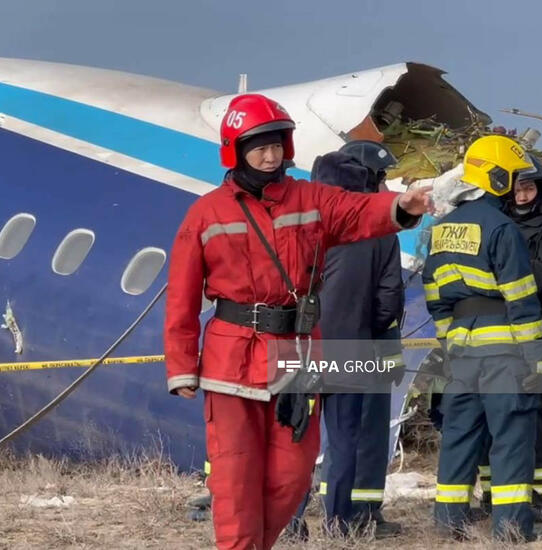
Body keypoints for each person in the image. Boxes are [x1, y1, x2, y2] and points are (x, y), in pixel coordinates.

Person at [164, 93, 432, 550]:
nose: (270, 156)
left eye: (277, 146)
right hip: (232, 359)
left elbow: (355, 211)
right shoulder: (205, 213)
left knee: (291, 475)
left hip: (295, 357)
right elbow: (182, 295)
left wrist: (400, 206)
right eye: (259, 147)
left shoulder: (310, 199)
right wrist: (181, 365)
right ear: (236, 149)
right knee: (235, 475)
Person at [422, 135, 542, 541]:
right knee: (510, 438)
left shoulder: (440, 231)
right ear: (496, 178)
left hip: (460, 350)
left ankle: (447, 525)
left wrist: (450, 344)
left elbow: (435, 298)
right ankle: (510, 531)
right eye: (511, 179)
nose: (515, 188)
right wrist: (535, 358)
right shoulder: (502, 228)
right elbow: (521, 297)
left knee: (459, 437)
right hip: (504, 351)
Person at [286, 141, 406, 540]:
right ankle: (339, 525)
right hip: (352, 348)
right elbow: (389, 299)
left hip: (298, 347)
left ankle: (290, 522)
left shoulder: (295, 224)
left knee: (295, 438)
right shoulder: (381, 231)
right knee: (344, 441)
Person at [478, 153, 542, 521]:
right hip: (492, 337)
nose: (520, 196)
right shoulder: (492, 225)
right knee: (491, 416)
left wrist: (504, 270)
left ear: (541, 189)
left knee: (541, 417)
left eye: (528, 187)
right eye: (515, 189)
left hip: (537, 336)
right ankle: (494, 496)